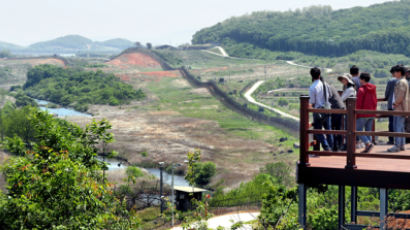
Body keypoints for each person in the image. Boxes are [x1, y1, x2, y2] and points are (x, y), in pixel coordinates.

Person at [309, 67, 332, 151]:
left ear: (311, 75)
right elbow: (330, 95)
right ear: (319, 75)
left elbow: (312, 101)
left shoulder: (312, 87)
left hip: (318, 110)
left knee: (317, 130)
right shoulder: (325, 84)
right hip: (327, 108)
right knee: (328, 130)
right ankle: (331, 147)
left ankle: (326, 146)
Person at [388, 65, 409, 152]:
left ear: (399, 73)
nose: (394, 74)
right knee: (401, 127)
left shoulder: (401, 82)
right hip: (403, 107)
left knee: (397, 127)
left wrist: (395, 103)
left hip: (399, 107)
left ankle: (397, 145)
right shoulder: (404, 81)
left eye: (395, 72)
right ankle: (402, 145)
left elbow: (400, 95)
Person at [356, 73, 377, 153]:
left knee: (357, 129)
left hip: (363, 113)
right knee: (368, 130)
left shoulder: (361, 90)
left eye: (360, 79)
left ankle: (368, 144)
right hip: (371, 112)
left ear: (362, 79)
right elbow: (375, 101)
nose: (359, 80)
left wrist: (356, 114)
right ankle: (368, 146)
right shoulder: (373, 88)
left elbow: (359, 103)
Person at [324, 77, 345, 151]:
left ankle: (335, 147)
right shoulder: (330, 86)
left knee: (333, 128)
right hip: (340, 107)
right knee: (338, 128)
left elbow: (327, 98)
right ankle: (339, 146)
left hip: (336, 108)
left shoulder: (326, 87)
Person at [385, 68, 397, 145]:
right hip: (400, 106)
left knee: (391, 122)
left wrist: (386, 97)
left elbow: (387, 93)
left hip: (391, 105)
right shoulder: (404, 80)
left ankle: (391, 139)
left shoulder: (391, 81)